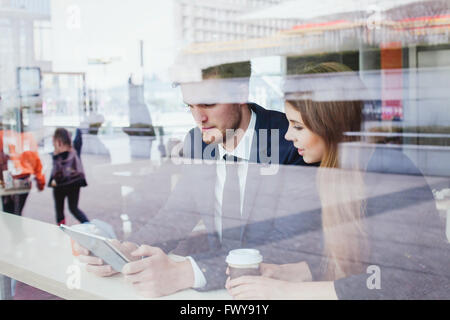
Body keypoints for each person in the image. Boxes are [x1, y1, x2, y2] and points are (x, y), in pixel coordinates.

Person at [74, 61, 313, 297]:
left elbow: (288, 247)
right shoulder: (196, 142)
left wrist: (188, 272)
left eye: (208, 104)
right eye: (189, 106)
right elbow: (176, 215)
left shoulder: (291, 139)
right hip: (217, 291)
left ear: (241, 93)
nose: (199, 118)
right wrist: (130, 250)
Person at [225, 62, 450, 299]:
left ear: (330, 126)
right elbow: (360, 263)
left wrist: (288, 291)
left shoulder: (387, 174)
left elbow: (401, 279)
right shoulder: (336, 172)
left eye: (298, 127)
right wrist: (288, 272)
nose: (288, 135)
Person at [49, 128, 89, 225]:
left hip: (59, 185)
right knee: (73, 209)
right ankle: (89, 227)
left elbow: (55, 172)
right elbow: (79, 135)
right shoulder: (75, 150)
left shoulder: (57, 154)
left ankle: (61, 232)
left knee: (60, 211)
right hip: (74, 183)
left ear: (57, 141)